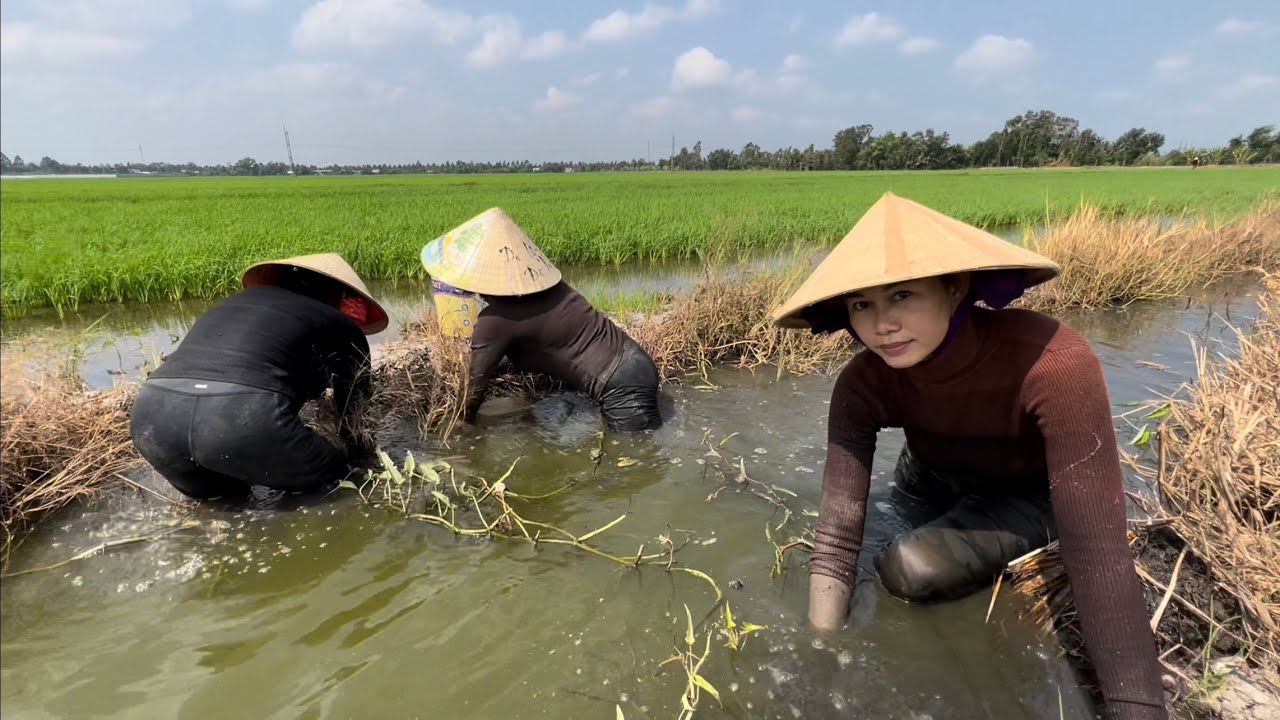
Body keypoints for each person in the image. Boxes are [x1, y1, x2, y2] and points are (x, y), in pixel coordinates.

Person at [771, 193, 1166, 719]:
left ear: (954, 288)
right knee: (869, 547)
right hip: (930, 477)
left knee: (908, 567)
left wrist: (1136, 707)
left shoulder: (1053, 362)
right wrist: (822, 653)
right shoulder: (862, 383)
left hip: (1029, 492)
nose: (881, 324)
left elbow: (1098, 555)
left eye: (902, 294)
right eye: (862, 304)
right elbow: (837, 534)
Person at [129, 253, 388, 500]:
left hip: (153, 420)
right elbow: (355, 409)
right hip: (240, 418)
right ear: (340, 295)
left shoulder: (231, 305)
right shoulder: (339, 324)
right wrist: (362, 458)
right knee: (338, 480)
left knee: (225, 501)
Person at [420, 207, 662, 432]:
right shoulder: (552, 290)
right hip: (633, 364)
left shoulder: (494, 321)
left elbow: (474, 387)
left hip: (620, 384)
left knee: (635, 458)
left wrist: (459, 425)